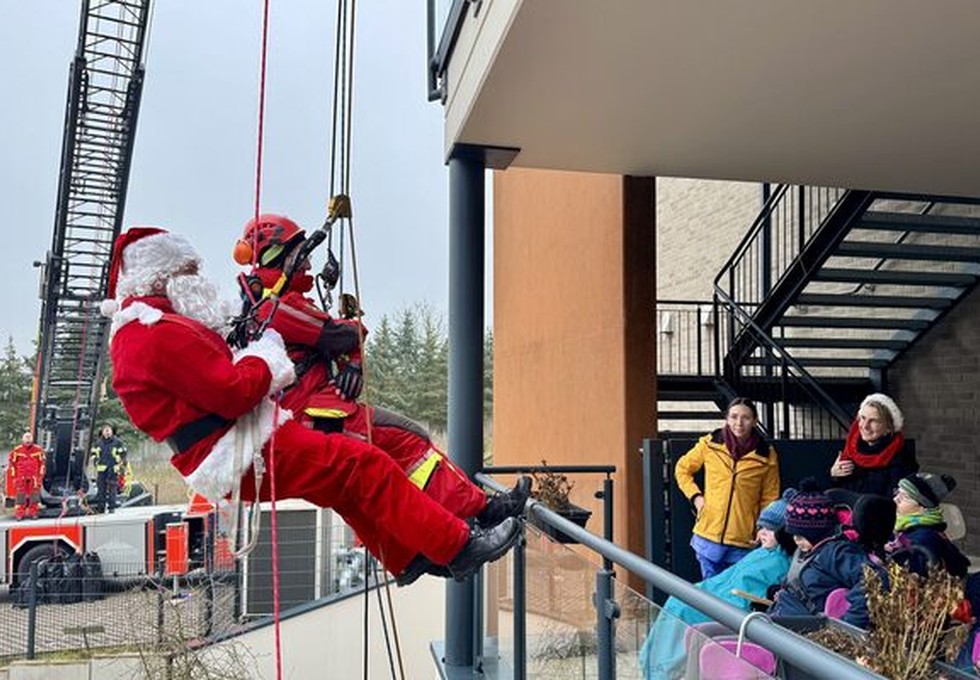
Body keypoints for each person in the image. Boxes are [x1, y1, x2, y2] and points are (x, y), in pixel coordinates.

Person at [100, 226, 521, 585]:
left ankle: (412, 554)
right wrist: (264, 356)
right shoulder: (158, 333)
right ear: (164, 276)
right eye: (189, 270)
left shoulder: (161, 327)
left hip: (247, 437)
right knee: (374, 459)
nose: (198, 276)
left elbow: (334, 340)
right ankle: (460, 542)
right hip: (246, 443)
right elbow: (238, 387)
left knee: (349, 479)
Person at [231, 215, 530, 547]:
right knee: (409, 441)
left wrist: (352, 365)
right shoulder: (276, 308)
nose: (309, 264)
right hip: (314, 414)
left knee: (396, 453)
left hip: (314, 410)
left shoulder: (269, 304)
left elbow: (340, 341)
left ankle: (462, 518)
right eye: (302, 254)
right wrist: (350, 342)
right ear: (281, 255)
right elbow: (340, 334)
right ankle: (477, 514)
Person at [639, 490, 797, 680]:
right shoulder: (766, 554)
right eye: (761, 526)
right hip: (716, 597)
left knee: (680, 609)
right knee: (678, 603)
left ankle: (661, 672)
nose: (761, 532)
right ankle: (657, 670)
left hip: (728, 608)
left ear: (784, 533)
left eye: (769, 529)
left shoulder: (778, 563)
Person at [674, 397, 781, 579]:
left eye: (746, 418)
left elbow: (770, 496)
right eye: (733, 417)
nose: (739, 423)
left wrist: (762, 526)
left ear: (754, 421)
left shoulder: (766, 454)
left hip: (743, 540)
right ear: (727, 419)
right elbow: (682, 469)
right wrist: (696, 497)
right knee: (710, 594)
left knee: (735, 595)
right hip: (708, 534)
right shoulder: (711, 444)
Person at [768, 483, 884, 629]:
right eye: (794, 535)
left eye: (802, 536)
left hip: (806, 632)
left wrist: (848, 626)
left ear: (817, 532)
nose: (796, 540)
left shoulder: (836, 553)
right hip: (782, 618)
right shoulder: (806, 549)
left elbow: (874, 580)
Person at [829, 393, 918, 496]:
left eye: (873, 421)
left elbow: (894, 501)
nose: (865, 426)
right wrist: (834, 476)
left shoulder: (902, 458)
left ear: (889, 428)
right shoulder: (850, 450)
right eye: (862, 418)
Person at [887, 472, 970, 578]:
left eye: (904, 497)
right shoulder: (902, 528)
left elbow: (915, 583)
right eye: (897, 492)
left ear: (923, 508)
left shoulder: (923, 540)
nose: (895, 499)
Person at [90, 423, 126, 513]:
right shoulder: (98, 443)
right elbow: (93, 454)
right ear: (102, 432)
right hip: (101, 469)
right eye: (105, 430)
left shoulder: (118, 442)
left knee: (112, 489)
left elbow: (123, 454)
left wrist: (120, 463)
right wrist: (96, 461)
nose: (107, 432)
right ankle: (101, 507)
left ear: (112, 431)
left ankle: (111, 507)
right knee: (101, 489)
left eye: (108, 430)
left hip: (113, 469)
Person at [8, 432, 45, 520]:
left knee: (34, 495)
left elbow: (42, 464)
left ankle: (34, 513)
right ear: (23, 440)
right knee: (20, 495)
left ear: (32, 440)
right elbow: (12, 464)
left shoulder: (38, 450)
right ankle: (20, 514)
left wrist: (40, 477)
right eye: (26, 440)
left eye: (29, 440)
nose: (28, 442)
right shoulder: (17, 451)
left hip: (34, 477)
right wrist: (14, 477)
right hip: (21, 476)